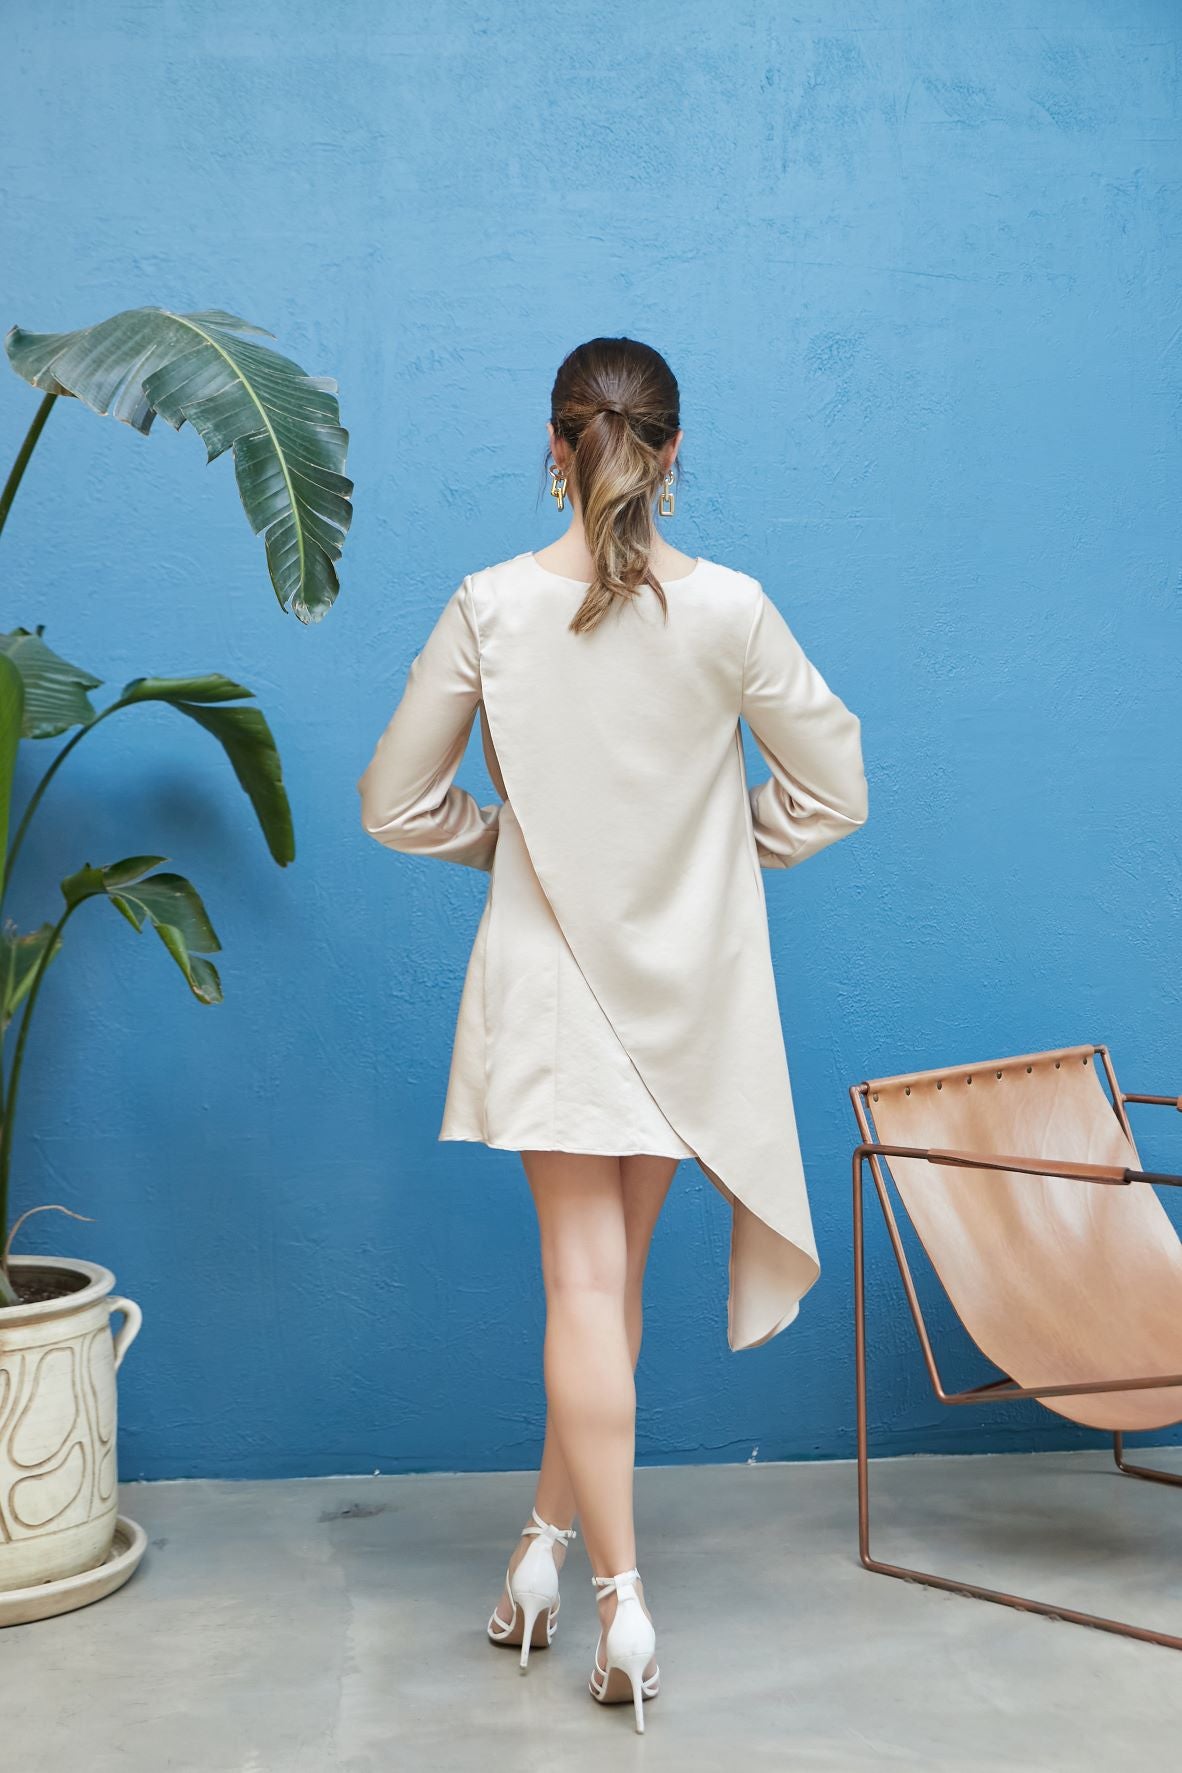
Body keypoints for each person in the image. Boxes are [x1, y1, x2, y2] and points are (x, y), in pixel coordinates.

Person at [356, 336, 868, 1732]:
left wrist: (514, 847)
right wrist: (715, 853)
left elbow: (394, 802)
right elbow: (835, 788)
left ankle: (615, 1598)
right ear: (673, 450)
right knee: (613, 1285)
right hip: (687, 995)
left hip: (554, 992)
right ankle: (541, 1554)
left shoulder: (489, 606)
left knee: (586, 1287)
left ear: (555, 444)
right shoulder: (734, 610)